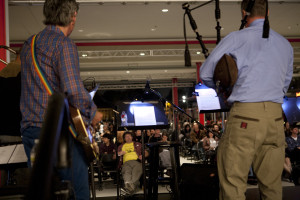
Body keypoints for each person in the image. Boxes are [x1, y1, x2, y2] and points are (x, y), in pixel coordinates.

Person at [200, 0, 294, 199]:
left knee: (233, 183)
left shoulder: (236, 38)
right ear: (268, 12)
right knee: (272, 186)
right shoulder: (285, 44)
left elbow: (206, 73)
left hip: (245, 116)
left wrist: (223, 91)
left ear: (244, 13)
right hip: (275, 118)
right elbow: (284, 84)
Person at [20, 0, 102, 199]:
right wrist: (93, 113)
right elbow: (73, 89)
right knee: (76, 192)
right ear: (73, 16)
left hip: (32, 132)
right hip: (58, 135)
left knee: (44, 191)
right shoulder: (63, 44)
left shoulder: (28, 44)